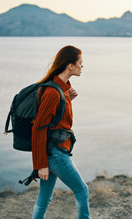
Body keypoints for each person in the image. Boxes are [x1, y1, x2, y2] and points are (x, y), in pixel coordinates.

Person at [31, 45, 90, 219]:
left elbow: (56, 120)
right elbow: (38, 129)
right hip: (56, 155)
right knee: (82, 191)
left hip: (51, 153)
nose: (82, 66)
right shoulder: (53, 92)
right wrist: (40, 164)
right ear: (70, 65)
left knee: (44, 200)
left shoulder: (60, 90)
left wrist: (68, 99)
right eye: (80, 63)